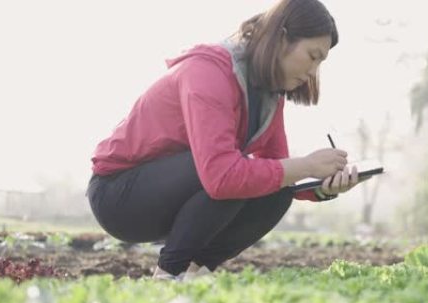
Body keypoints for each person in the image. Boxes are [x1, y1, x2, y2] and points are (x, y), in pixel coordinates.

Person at [86, 0, 368, 280]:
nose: (313, 72)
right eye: (312, 56)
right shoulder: (208, 72)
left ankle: (195, 272)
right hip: (119, 196)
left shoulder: (270, 94)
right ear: (282, 39)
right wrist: (306, 165)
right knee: (233, 173)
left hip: (176, 192)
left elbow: (279, 171)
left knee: (277, 192)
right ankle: (168, 275)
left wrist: (325, 186)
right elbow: (222, 176)